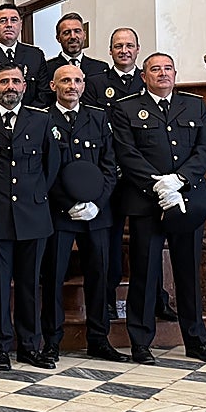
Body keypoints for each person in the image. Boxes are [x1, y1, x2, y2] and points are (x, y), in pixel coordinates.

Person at [111, 53, 206, 365]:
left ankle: (197, 342)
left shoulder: (194, 105)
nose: (162, 74)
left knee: (188, 273)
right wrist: (159, 186)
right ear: (144, 76)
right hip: (146, 203)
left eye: (167, 69)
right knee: (144, 273)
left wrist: (179, 180)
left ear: (175, 73)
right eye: (155, 69)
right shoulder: (126, 107)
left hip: (188, 200)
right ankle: (140, 343)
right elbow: (127, 153)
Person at [0, 64, 61, 371]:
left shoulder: (41, 119)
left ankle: (30, 346)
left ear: (24, 86)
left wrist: (35, 196)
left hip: (33, 216)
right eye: (4, 81)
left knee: (30, 285)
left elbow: (52, 165)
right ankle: (1, 347)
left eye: (16, 81)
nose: (10, 86)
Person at [42, 65, 126, 363]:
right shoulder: (42, 119)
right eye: (65, 80)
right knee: (53, 277)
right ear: (53, 85)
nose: (72, 85)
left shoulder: (98, 117)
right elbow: (42, 170)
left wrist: (97, 204)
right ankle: (51, 341)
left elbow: (110, 166)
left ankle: (99, 339)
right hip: (59, 213)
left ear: (84, 85)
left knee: (100, 276)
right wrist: (67, 204)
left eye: (77, 80)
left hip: (96, 215)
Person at [83, 27, 166, 319]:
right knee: (109, 242)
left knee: (152, 242)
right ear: (110, 51)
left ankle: (158, 299)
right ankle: (107, 299)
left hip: (144, 176)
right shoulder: (96, 83)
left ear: (137, 49)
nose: (124, 50)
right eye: (118, 46)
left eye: (129, 45)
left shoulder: (148, 81)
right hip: (112, 176)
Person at [45, 12, 108, 77]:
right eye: (67, 32)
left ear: (84, 35)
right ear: (58, 38)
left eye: (77, 31)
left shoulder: (100, 68)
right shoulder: (47, 69)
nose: (73, 36)